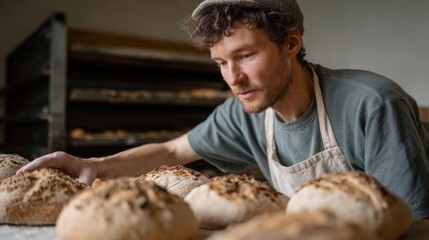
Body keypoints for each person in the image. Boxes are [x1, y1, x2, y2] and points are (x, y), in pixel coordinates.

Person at [17, 0, 429, 219]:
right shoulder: (245, 110)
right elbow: (174, 151)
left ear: (291, 43)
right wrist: (96, 165)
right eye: (220, 63)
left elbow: (413, 223)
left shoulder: (371, 105)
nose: (232, 78)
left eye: (245, 56)